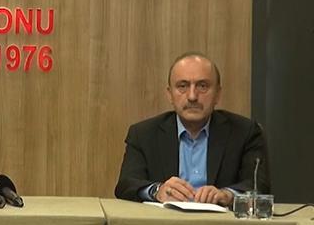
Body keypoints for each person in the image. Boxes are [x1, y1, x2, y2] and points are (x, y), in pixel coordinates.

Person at [115, 52, 270, 206]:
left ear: (217, 94)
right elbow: (126, 185)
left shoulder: (245, 132)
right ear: (170, 95)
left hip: (221, 221)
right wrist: (157, 191)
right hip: (165, 220)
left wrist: (227, 195)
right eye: (182, 86)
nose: (192, 96)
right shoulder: (144, 134)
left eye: (202, 86)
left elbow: (259, 186)